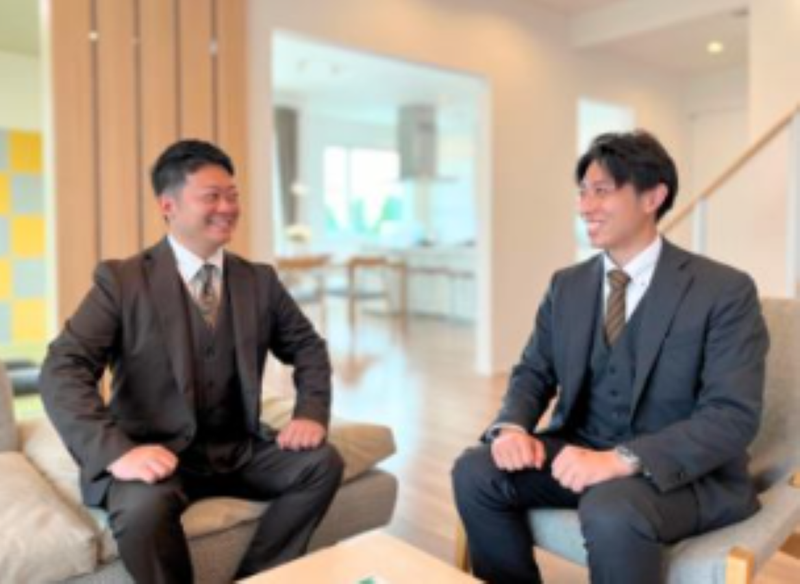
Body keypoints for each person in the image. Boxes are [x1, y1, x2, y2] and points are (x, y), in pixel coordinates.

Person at [452, 130, 769, 584]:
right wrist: (513, 427)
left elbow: (731, 416)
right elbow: (534, 370)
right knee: (476, 470)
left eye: (602, 191)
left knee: (611, 506)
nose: (585, 206)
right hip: (581, 447)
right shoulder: (567, 285)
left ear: (653, 197)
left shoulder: (723, 290)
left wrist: (621, 460)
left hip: (683, 476)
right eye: (582, 192)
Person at [40, 139, 344, 583]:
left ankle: (257, 578)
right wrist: (117, 452)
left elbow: (308, 347)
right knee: (141, 511)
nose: (228, 207)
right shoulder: (122, 281)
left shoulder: (259, 280)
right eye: (212, 196)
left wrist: (310, 412)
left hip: (238, 451)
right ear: (169, 206)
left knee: (322, 463)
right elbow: (63, 367)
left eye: (233, 195)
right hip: (153, 456)